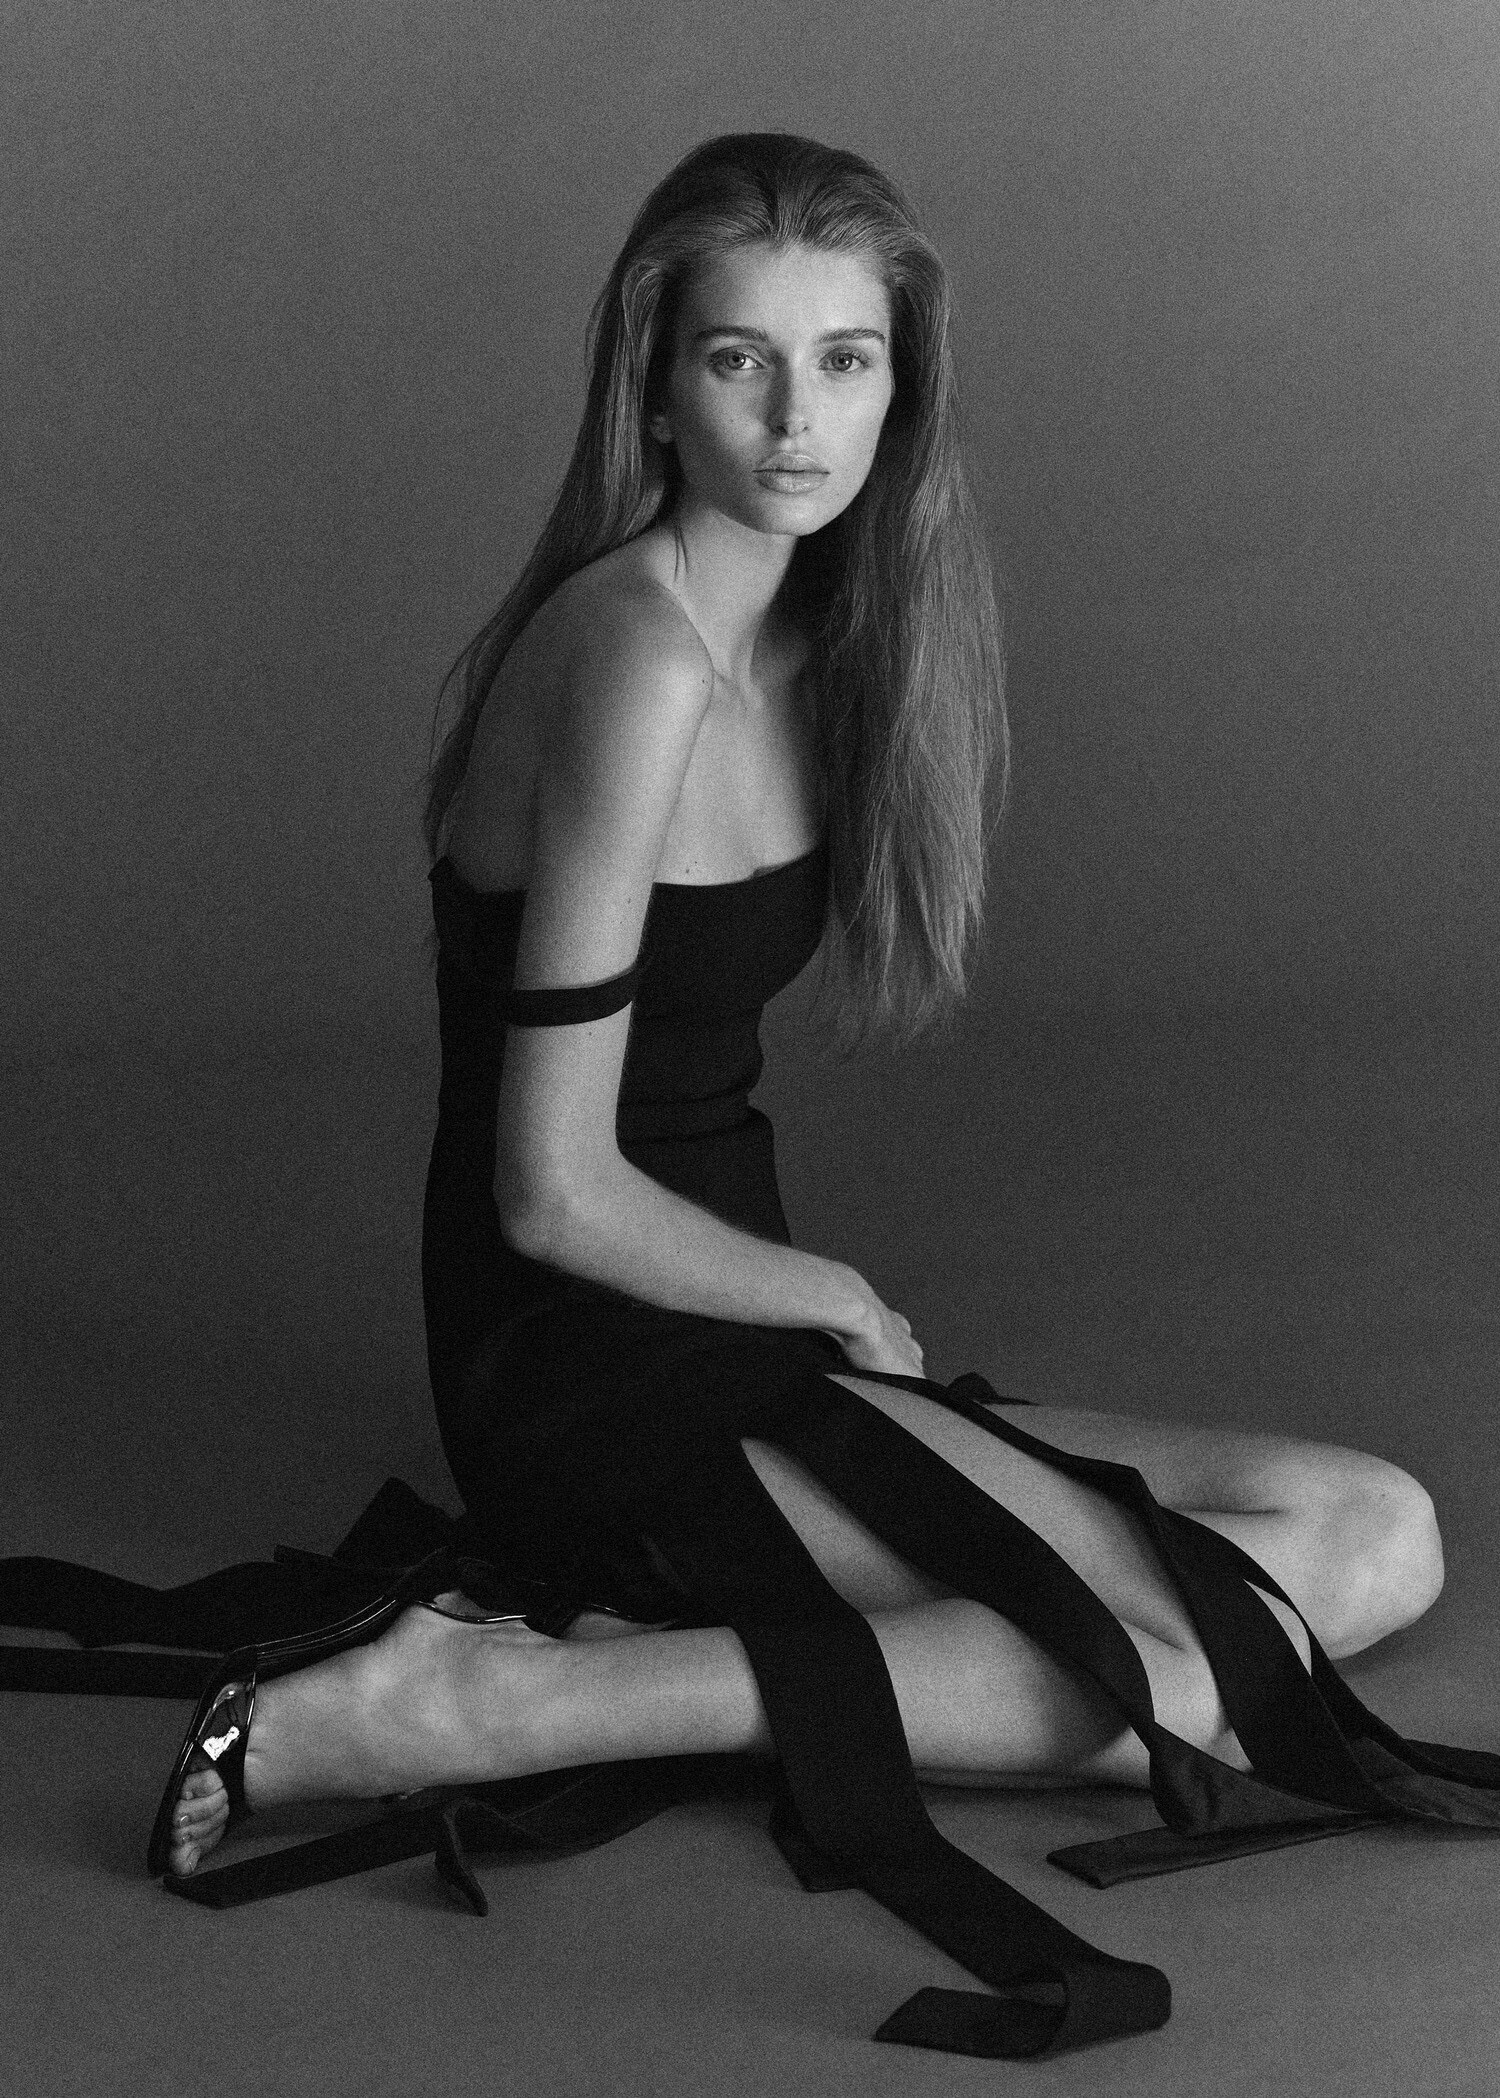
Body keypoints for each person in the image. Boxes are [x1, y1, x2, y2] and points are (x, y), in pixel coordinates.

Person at [144, 134, 1477, 2060]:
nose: (797, 420)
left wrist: (797, 1314)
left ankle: (580, 1678)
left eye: (846, 361)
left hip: (735, 1328)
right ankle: (467, 1704)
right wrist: (825, 1293)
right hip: (586, 1352)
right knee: (1182, 1678)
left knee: (1377, 1533)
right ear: (653, 385)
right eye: (740, 359)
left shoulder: (816, 632)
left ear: (900, 387)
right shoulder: (636, 654)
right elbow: (546, 1187)